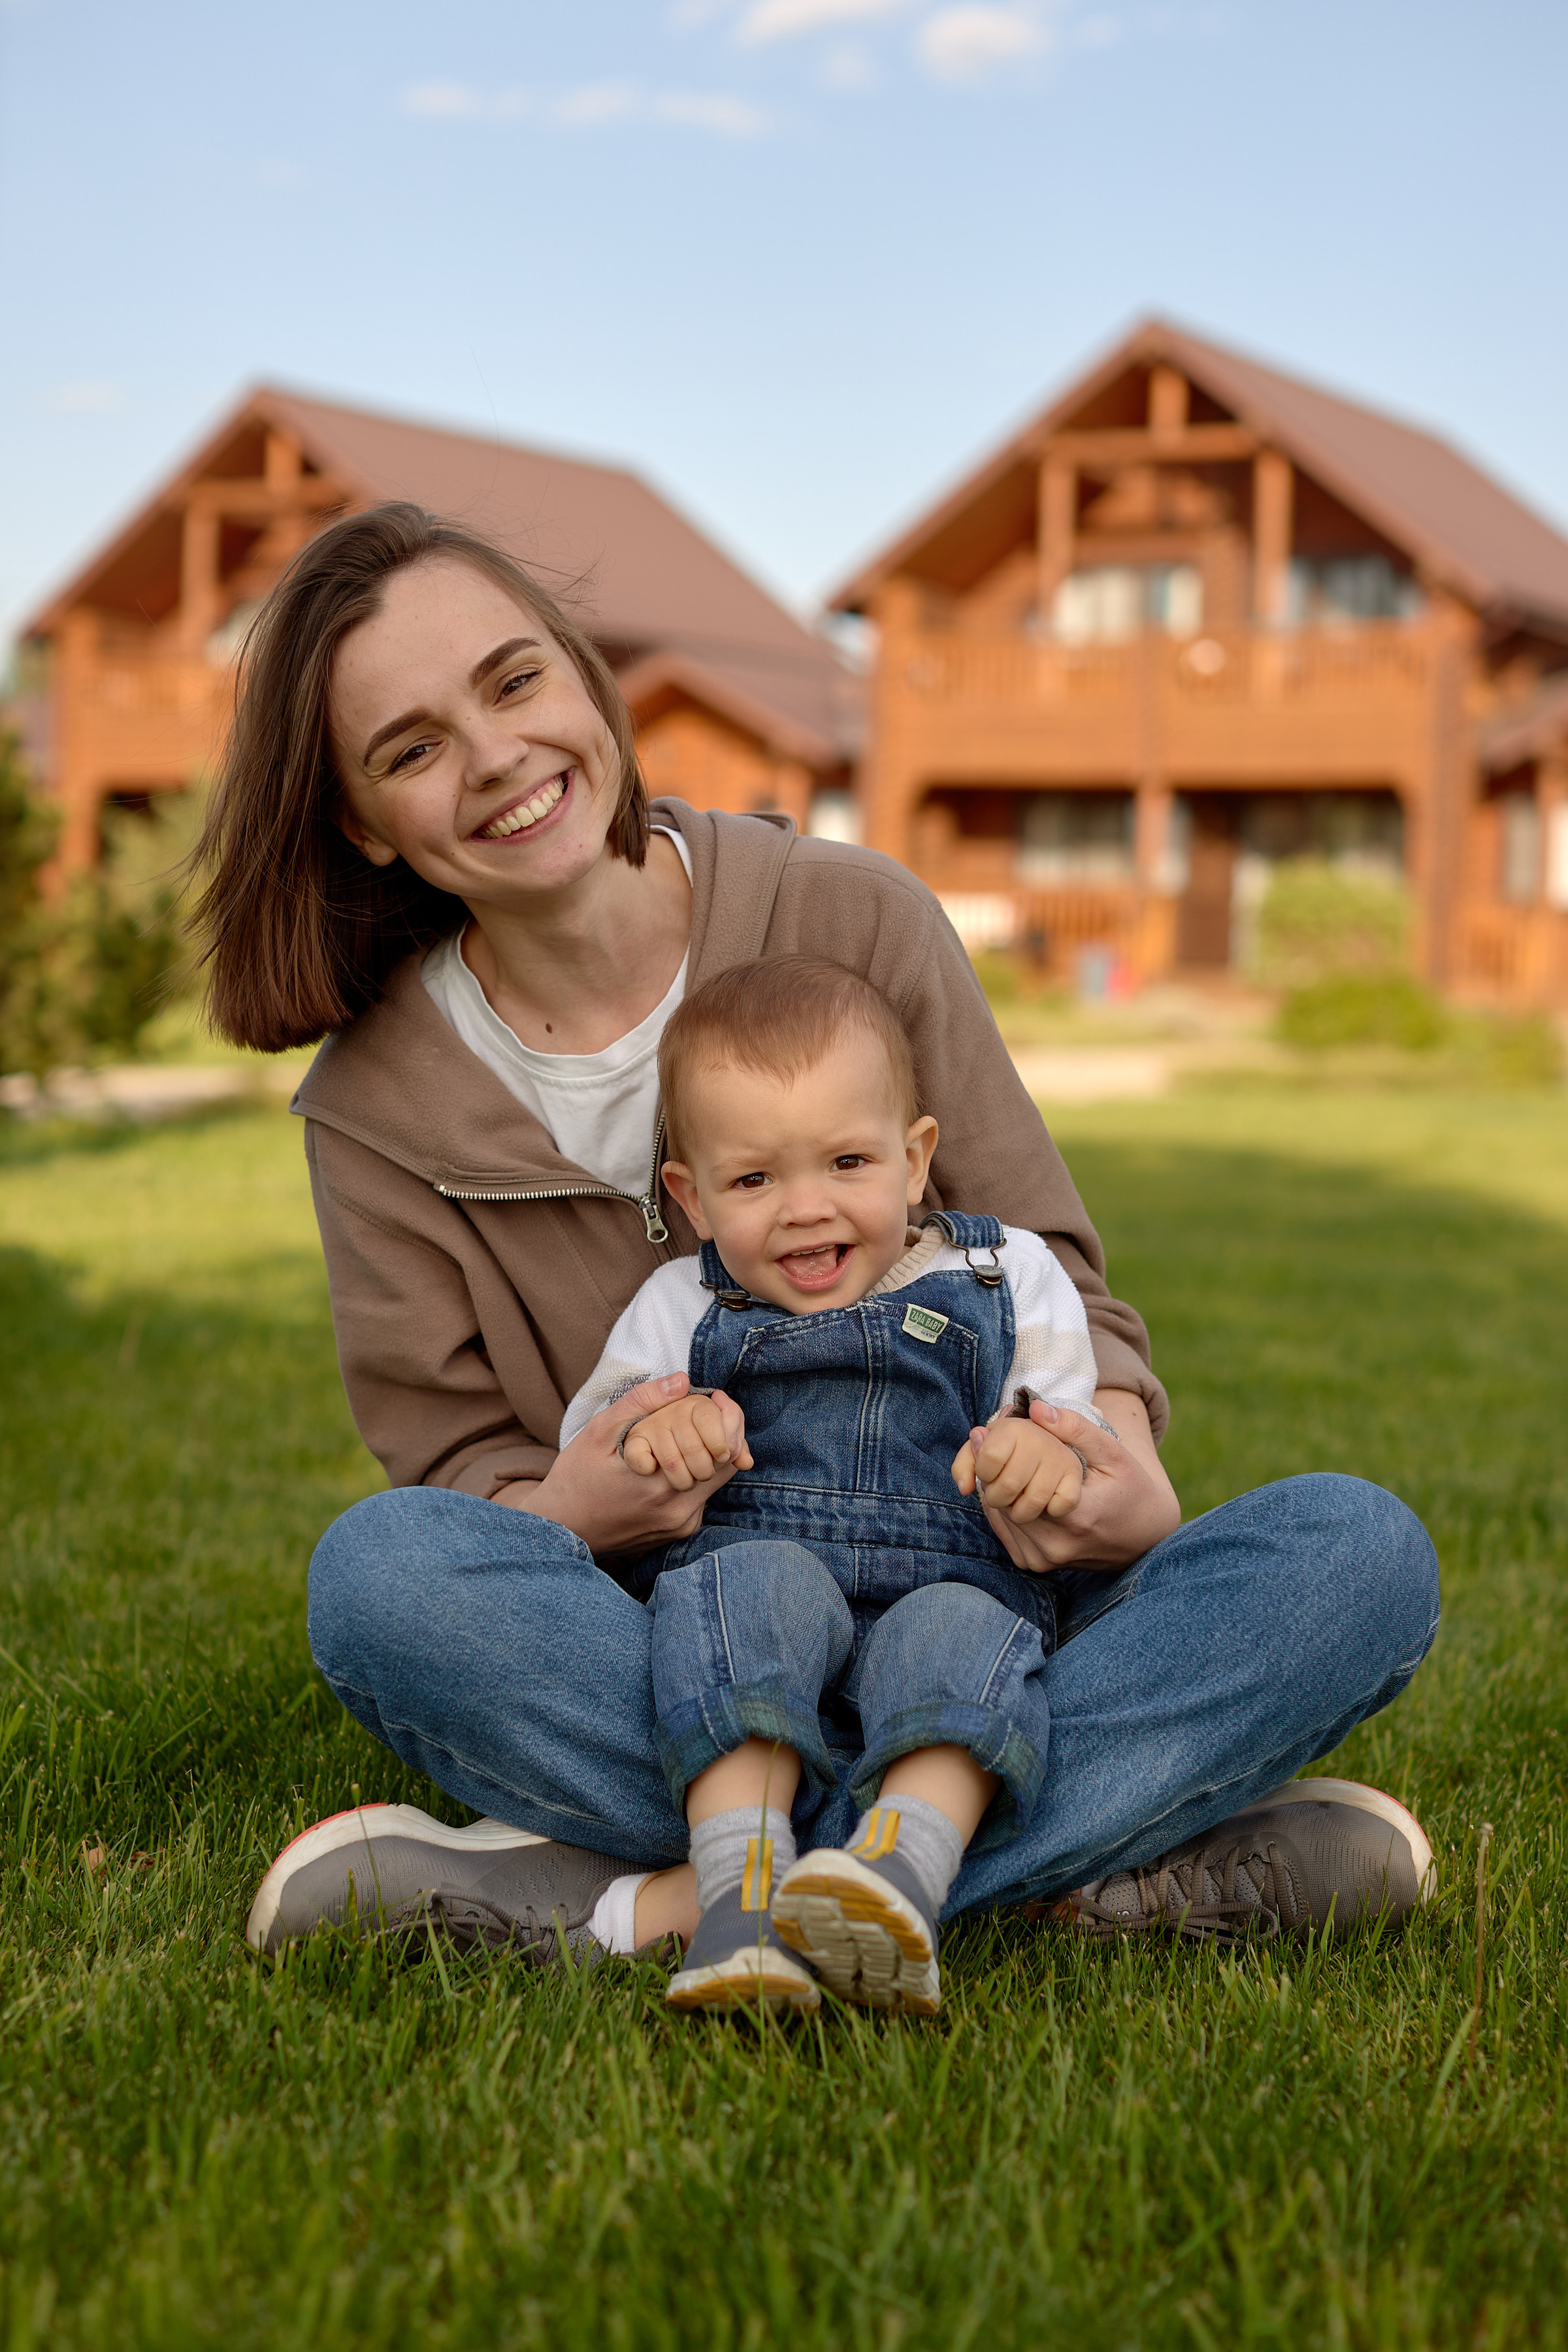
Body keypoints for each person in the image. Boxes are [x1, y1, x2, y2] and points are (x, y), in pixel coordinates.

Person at [201, 501, 1440, 1975]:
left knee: (1356, 1553)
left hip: (984, 1589)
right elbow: (457, 1478)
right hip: (679, 1636)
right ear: (360, 820)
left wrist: (1110, 1461)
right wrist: (586, 1504)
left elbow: (1045, 1269)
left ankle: (636, 1903)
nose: (494, 759)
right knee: (380, 1576)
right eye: (410, 749)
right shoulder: (376, 1109)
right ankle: (1053, 1862)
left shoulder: (854, 918)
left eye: (516, 681)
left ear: (589, 682)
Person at [568, 952, 1132, 2016]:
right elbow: (597, 1441)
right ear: (690, 1197)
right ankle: (739, 1892)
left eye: (846, 1162)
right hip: (757, 1601)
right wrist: (660, 1431)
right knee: (745, 1597)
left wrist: (1041, 1452)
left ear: (917, 1161)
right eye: (753, 1180)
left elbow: (1075, 1422)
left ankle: (896, 1876)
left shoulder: (1006, 1275)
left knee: (962, 1639)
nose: (804, 1209)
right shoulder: (678, 1304)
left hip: (951, 1582)